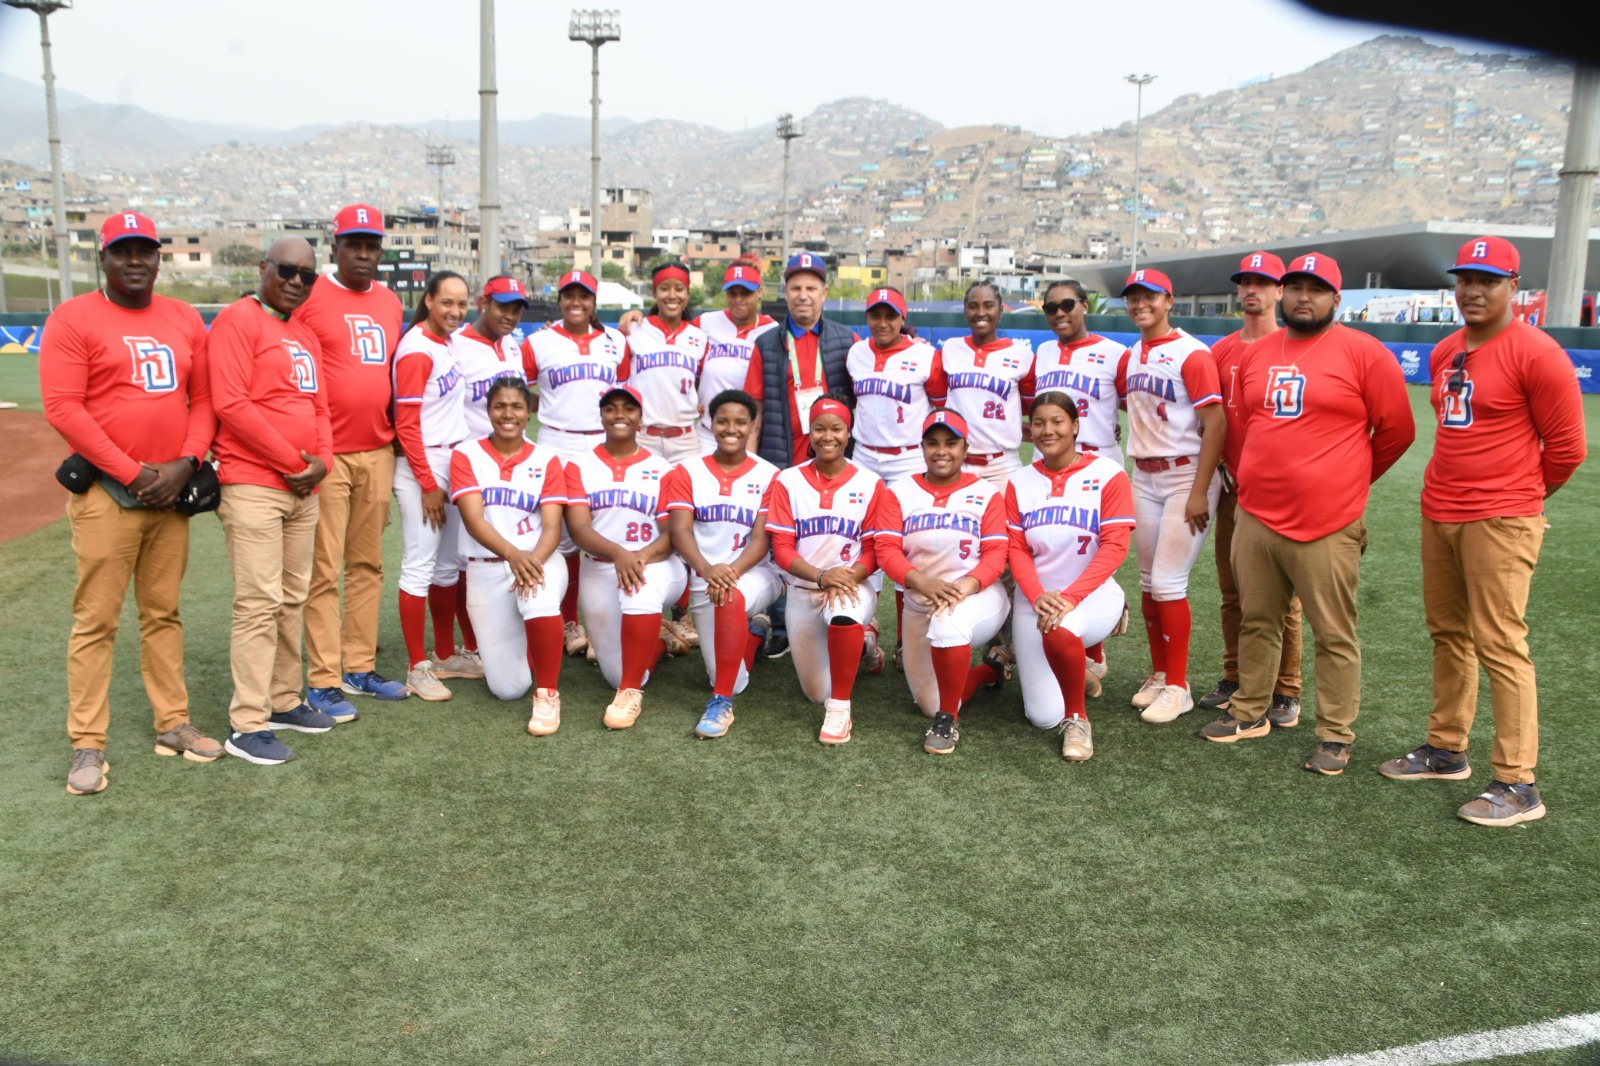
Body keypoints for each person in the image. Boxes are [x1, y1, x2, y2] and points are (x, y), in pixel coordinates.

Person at [1378, 236, 1586, 824]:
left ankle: (1519, 784)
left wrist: (1516, 500)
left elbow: (1567, 449)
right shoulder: (1447, 349)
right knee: (1449, 633)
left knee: (1501, 644)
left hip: (1500, 517)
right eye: (1465, 278)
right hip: (1440, 510)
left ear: (1513, 288)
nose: (1472, 290)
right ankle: (1447, 749)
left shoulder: (1538, 353)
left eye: (1488, 280)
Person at [1199, 252, 1415, 776]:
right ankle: (1251, 711)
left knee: (1333, 633)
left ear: (1336, 299)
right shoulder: (1258, 353)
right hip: (1256, 514)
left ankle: (1336, 735)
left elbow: (1397, 432)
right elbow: (1252, 424)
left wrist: (1346, 483)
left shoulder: (1365, 353)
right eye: (1294, 286)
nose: (1302, 296)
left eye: (1315, 289)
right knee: (1258, 620)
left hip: (1328, 522)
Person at [40, 210, 221, 794]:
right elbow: (64, 407)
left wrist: (187, 464)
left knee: (163, 614)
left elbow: (204, 399)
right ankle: (87, 744)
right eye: (123, 251)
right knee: (96, 620)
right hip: (106, 497)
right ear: (104, 257)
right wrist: (134, 472)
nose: (136, 260)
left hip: (168, 498)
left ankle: (173, 722)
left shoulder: (184, 316)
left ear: (158, 257)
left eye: (145, 250)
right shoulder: (72, 318)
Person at [208, 237, 337, 765]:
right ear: (264, 268)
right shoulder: (238, 320)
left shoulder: (304, 332)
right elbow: (231, 404)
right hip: (254, 483)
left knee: (292, 598)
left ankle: (284, 700)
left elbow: (321, 409)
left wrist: (322, 462)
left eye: (307, 275)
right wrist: (293, 462)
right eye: (287, 270)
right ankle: (247, 722)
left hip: (302, 487)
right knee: (258, 603)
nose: (296, 282)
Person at [294, 204, 408, 719]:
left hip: (377, 450)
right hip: (327, 454)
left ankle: (358, 666)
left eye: (372, 245)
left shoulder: (388, 301)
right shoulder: (309, 294)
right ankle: (322, 679)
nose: (364, 253)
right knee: (323, 569)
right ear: (334, 246)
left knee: (368, 565)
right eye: (353, 244)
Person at [1114, 267, 1225, 725]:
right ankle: (1159, 672)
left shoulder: (1191, 353)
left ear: (1169, 301)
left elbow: (1216, 423)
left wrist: (1200, 490)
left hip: (1186, 476)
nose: (1141, 304)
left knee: (1167, 584)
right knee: (1146, 583)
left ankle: (1178, 686)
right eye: (1134, 298)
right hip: (1144, 474)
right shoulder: (1132, 355)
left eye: (1150, 297)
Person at [1198, 252, 1304, 728]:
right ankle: (1235, 674)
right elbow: (1209, 421)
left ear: (1280, 290)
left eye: (1263, 282)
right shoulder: (1220, 351)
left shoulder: (1294, 346)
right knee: (1231, 589)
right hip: (1231, 486)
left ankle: (1287, 688)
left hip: (1280, 492)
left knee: (1285, 598)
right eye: (1245, 282)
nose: (1251, 290)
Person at [1005, 392, 1134, 761]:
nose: (1048, 430)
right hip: (1036, 599)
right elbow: (1017, 548)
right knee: (1042, 717)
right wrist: (1035, 595)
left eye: (1058, 421)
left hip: (1090, 596)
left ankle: (1078, 720)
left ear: (1075, 426)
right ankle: (1080, 673)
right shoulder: (1020, 481)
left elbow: (1115, 547)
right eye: (1040, 423)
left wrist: (1070, 598)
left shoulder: (1107, 473)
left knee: (1061, 629)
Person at [874, 410, 1010, 755]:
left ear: (965, 448)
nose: (941, 451)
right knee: (926, 702)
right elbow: (886, 550)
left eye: (951, 443)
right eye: (932, 443)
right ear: (921, 447)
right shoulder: (900, 492)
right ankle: (988, 672)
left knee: (949, 623)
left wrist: (963, 587)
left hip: (975, 596)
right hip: (922, 598)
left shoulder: (986, 493)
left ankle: (947, 721)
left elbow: (996, 555)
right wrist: (924, 583)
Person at [744, 251, 857, 660]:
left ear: (825, 292)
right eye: (795, 287)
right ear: (785, 293)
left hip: (831, 459)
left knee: (832, 535)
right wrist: (754, 467)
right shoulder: (766, 343)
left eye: (811, 287)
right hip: (780, 456)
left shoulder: (847, 340)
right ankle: (780, 622)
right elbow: (753, 411)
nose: (803, 295)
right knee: (780, 540)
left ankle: (841, 614)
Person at [449, 375, 569, 735]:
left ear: (529, 411)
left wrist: (529, 560)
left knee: (537, 601)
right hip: (487, 566)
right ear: (487, 410)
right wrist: (514, 556)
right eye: (499, 405)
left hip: (539, 558)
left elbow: (551, 527)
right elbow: (473, 519)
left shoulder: (547, 458)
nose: (508, 413)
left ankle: (547, 693)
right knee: (508, 689)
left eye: (517, 405)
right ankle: (531, 648)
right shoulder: (465, 453)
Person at [762, 397, 886, 744]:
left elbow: (877, 550)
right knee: (816, 691)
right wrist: (821, 575)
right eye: (819, 428)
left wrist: (847, 577)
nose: (827, 436)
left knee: (843, 612)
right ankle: (864, 645)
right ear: (810, 431)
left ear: (849, 433)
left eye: (836, 428)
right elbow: (782, 549)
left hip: (851, 584)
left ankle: (840, 710)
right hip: (805, 588)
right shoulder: (788, 481)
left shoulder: (870, 482)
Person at [663, 389, 785, 739]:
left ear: (752, 426)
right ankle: (756, 632)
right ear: (710, 423)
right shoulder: (687, 471)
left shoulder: (770, 475)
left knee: (731, 601)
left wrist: (729, 573)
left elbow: (762, 540)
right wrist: (706, 569)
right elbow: (680, 529)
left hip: (754, 573)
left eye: (740, 422)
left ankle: (721, 702)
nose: (731, 429)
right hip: (706, 577)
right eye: (723, 421)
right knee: (733, 674)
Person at [563, 384, 687, 729]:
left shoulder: (662, 468)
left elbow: (672, 534)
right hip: (600, 567)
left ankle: (631, 691)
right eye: (611, 408)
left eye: (628, 408)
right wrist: (619, 554)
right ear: (601, 415)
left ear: (640, 417)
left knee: (639, 591)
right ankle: (659, 643)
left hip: (655, 565)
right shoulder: (579, 466)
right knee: (614, 675)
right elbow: (578, 529)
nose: (620, 415)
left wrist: (638, 557)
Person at [521, 269, 628, 658]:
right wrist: (547, 408)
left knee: (601, 530)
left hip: (602, 443)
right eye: (569, 295)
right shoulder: (538, 342)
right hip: (556, 440)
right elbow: (519, 393)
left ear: (594, 302)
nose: (576, 302)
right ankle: (569, 622)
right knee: (561, 538)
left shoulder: (616, 341)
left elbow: (624, 396)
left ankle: (605, 622)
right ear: (560, 299)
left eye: (584, 296)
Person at [1029, 278, 1128, 696]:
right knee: (1052, 559)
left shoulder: (1115, 353)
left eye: (1067, 304)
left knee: (1092, 559)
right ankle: (1082, 652)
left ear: (1085, 306)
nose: (1059, 313)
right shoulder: (1044, 351)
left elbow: (1135, 401)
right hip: (1049, 466)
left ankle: (1093, 648)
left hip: (1098, 463)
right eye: (1050, 308)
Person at [846, 285, 944, 672]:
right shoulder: (856, 353)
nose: (883, 322)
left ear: (903, 319)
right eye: (876, 315)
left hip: (907, 458)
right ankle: (866, 627)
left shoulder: (925, 355)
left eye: (891, 315)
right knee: (863, 539)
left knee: (908, 545)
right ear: (868, 318)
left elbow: (940, 405)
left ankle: (908, 640)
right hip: (866, 455)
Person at [391, 270, 474, 701]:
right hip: (422, 464)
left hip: (450, 457)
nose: (455, 311)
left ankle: (444, 654)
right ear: (428, 301)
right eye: (447, 302)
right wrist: (427, 482)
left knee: (447, 566)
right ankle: (416, 666)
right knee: (419, 566)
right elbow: (405, 424)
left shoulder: (448, 343)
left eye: (461, 304)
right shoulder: (417, 350)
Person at [939, 279, 1035, 487]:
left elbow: (1031, 406)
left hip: (1002, 463)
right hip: (957, 462)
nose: (980, 312)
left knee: (1007, 519)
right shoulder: (949, 349)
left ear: (1000, 311)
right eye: (973, 306)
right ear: (965, 311)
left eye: (988, 305)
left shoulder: (1022, 356)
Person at [624, 260, 706, 465]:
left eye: (679, 289)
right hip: (643, 437)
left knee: (687, 496)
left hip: (686, 440)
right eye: (664, 288)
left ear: (687, 294)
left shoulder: (699, 336)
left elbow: (701, 380)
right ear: (654, 292)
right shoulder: (634, 329)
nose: (672, 295)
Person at [692, 258, 776, 454]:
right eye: (732, 293)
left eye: (746, 293)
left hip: (748, 434)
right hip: (707, 433)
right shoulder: (705, 322)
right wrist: (690, 397)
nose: (738, 299)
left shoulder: (772, 330)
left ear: (760, 292)